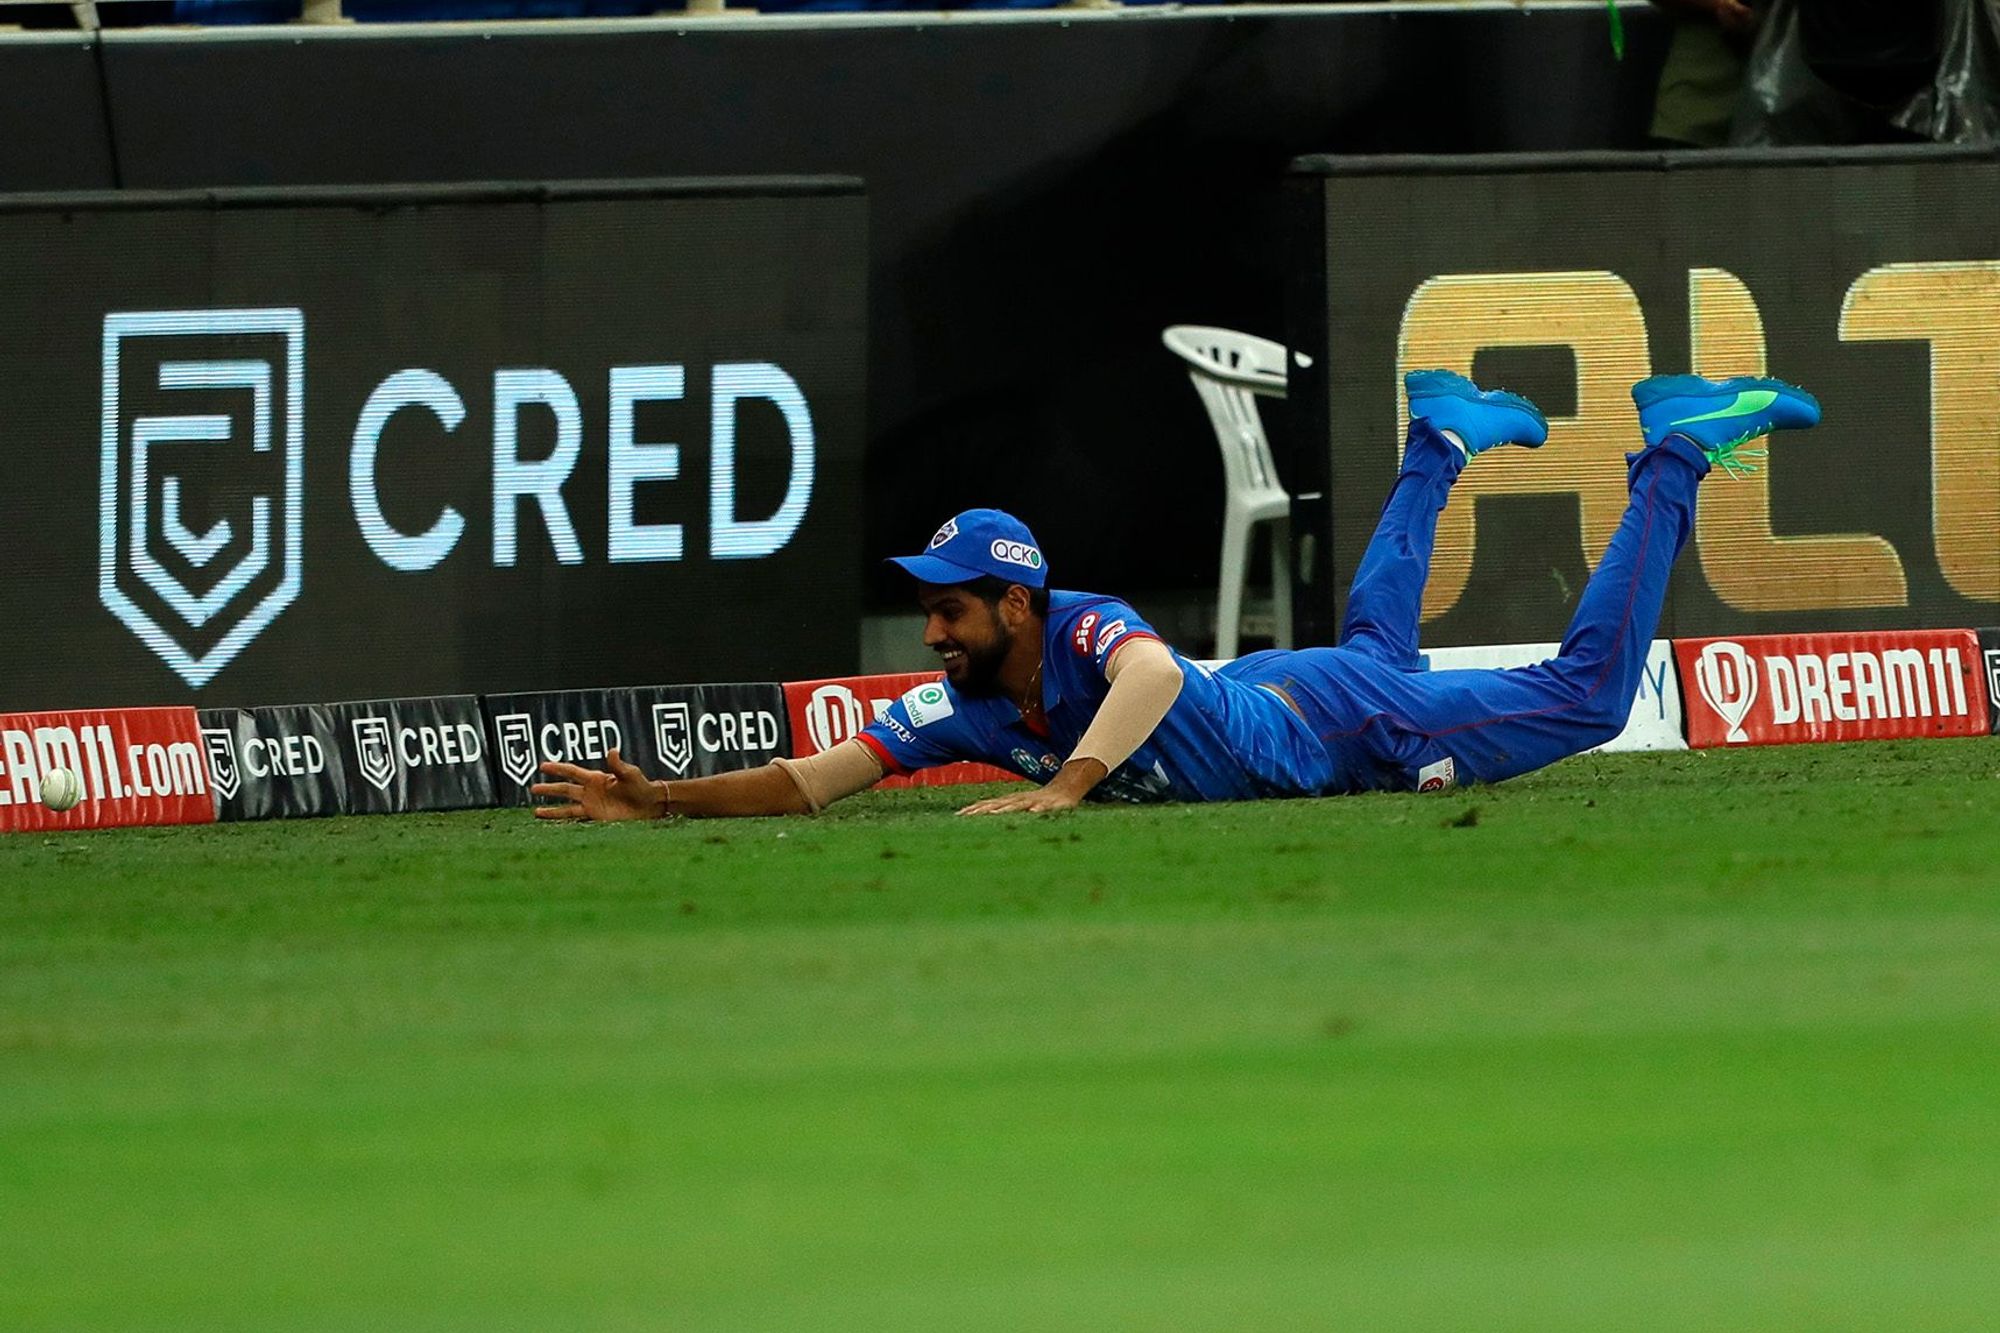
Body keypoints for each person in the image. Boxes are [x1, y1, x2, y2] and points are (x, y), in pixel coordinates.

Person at [531, 370, 1820, 821]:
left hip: (1330, 731)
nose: (933, 630)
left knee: (1585, 699)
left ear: (1018, 607)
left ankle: (1672, 452)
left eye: (953, 609)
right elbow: (820, 777)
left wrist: (1065, 789)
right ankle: (1437, 437)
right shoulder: (978, 704)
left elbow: (1148, 675)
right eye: (930, 608)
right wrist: (667, 800)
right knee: (1377, 639)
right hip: (1277, 697)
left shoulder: (1084, 623)